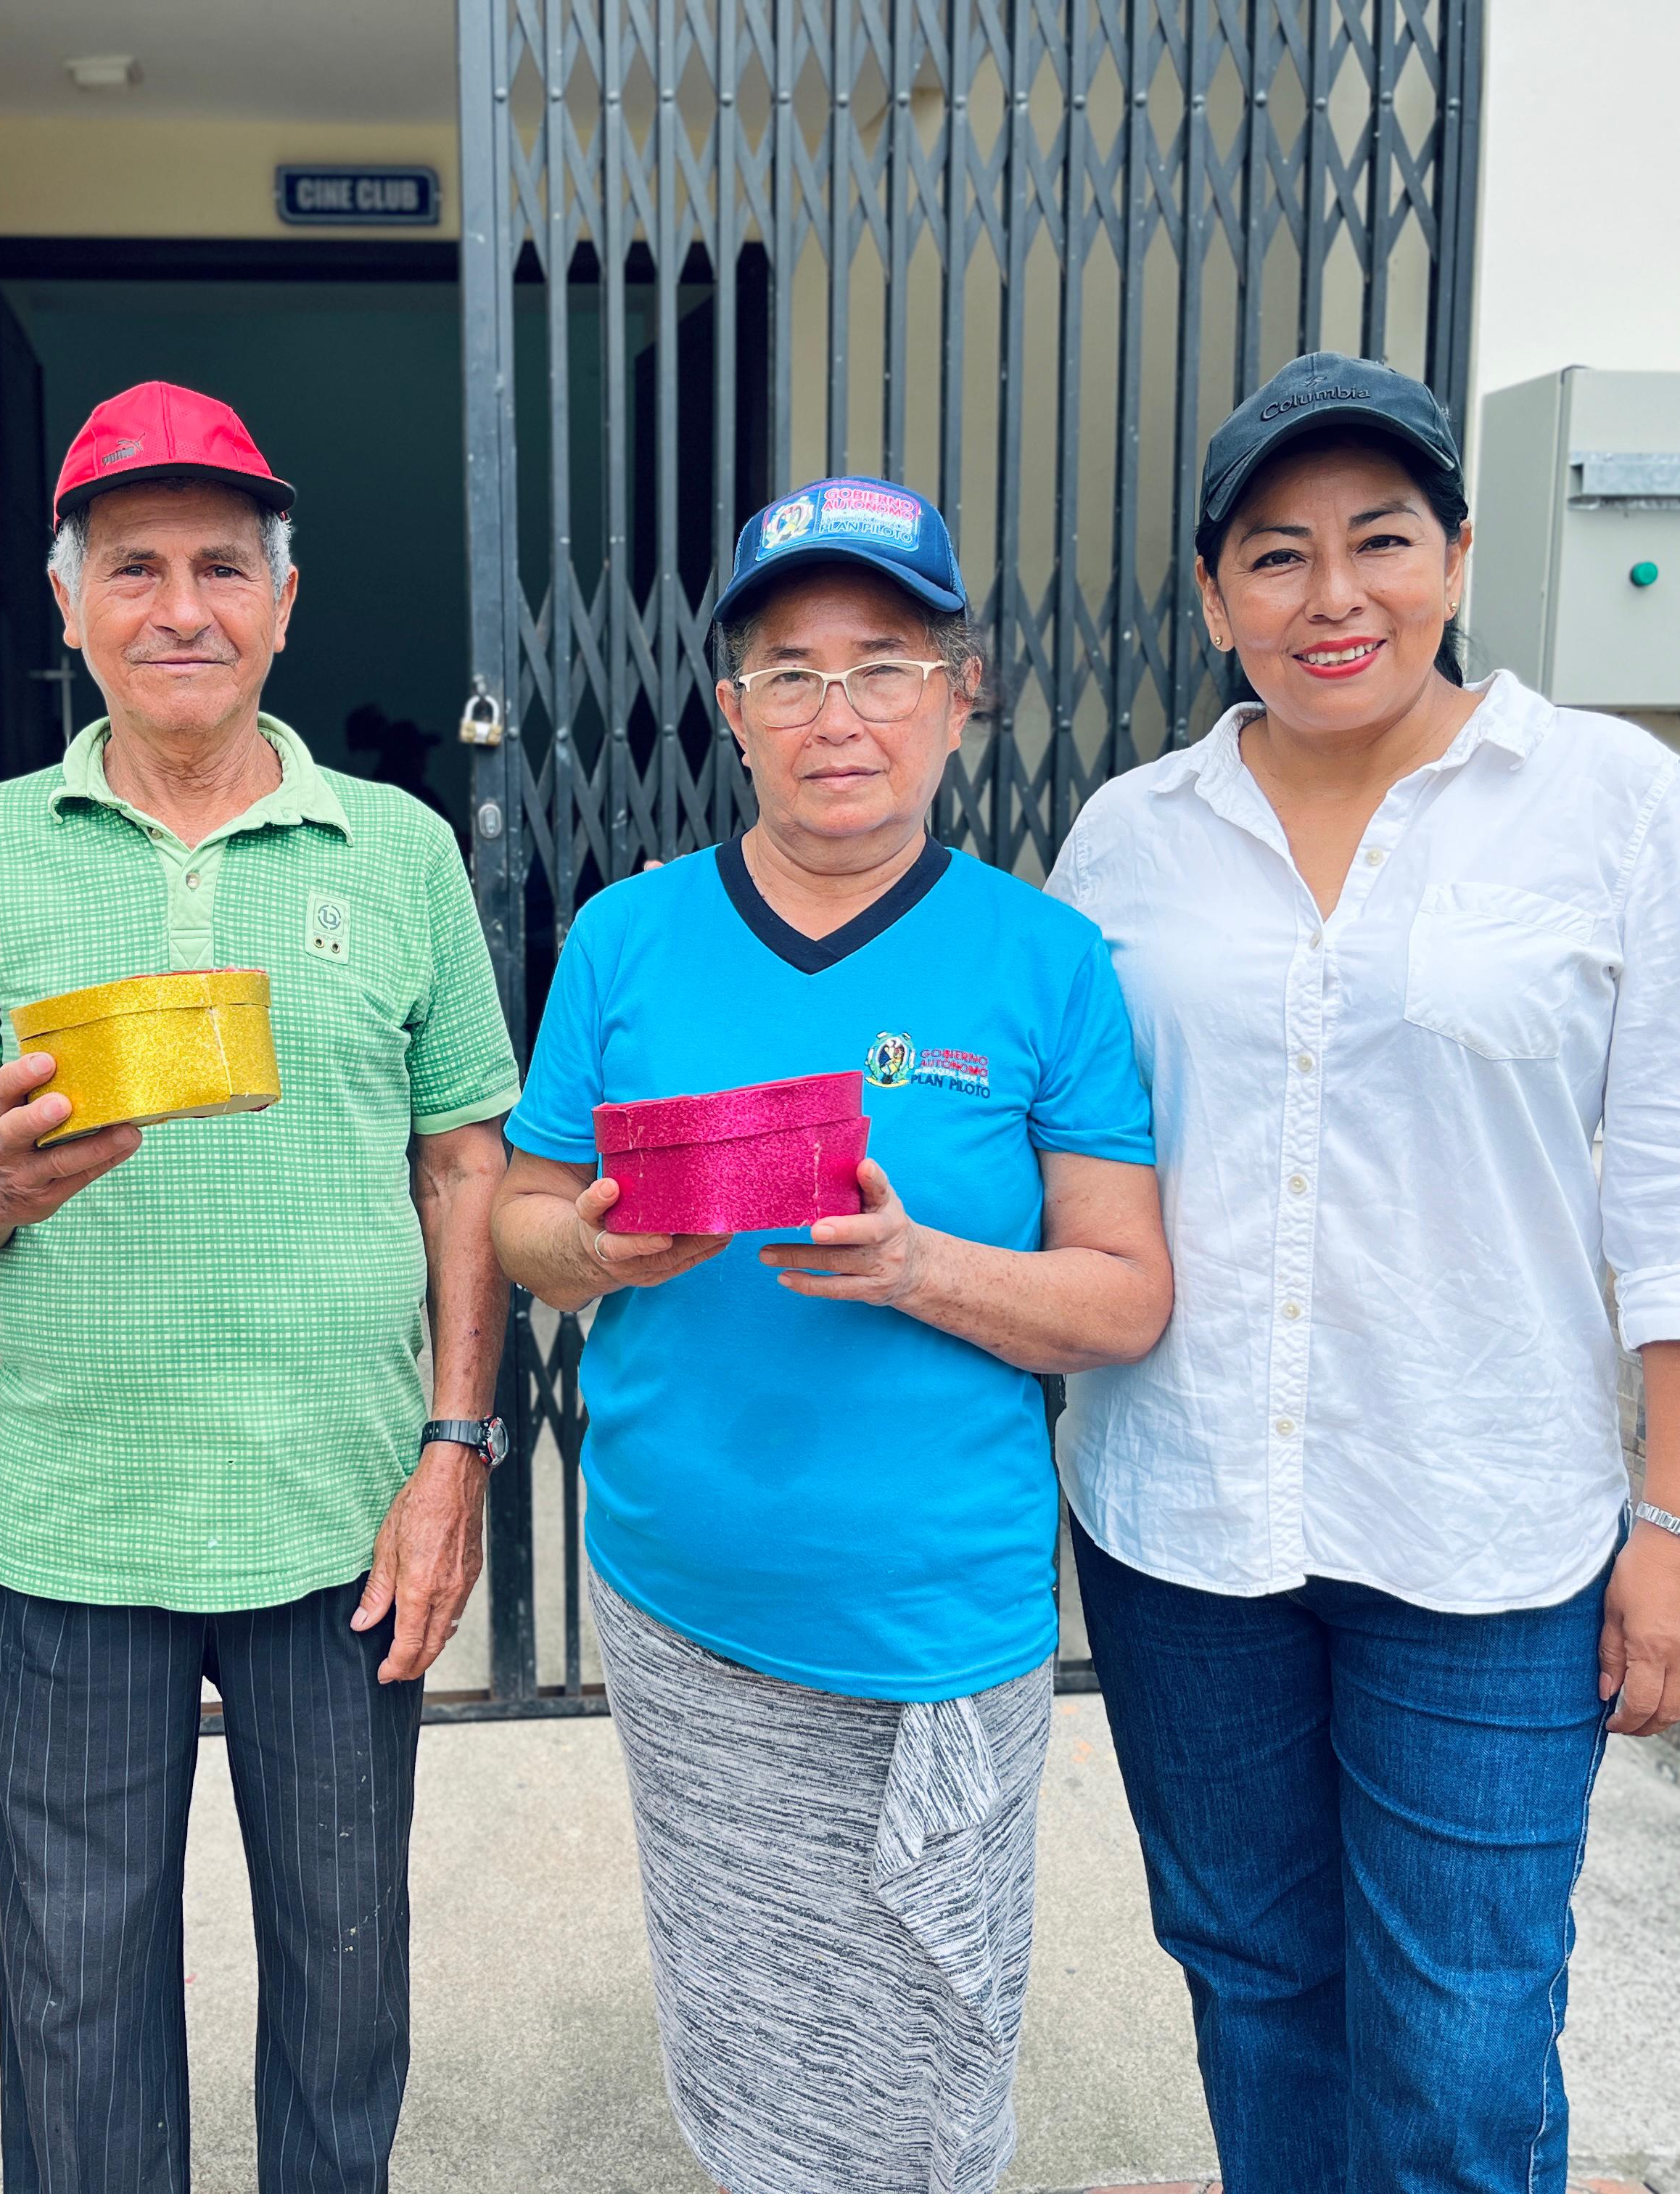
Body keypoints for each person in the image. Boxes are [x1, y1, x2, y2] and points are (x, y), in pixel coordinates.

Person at [1047, 351, 1680, 2190]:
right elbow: (1047, 1139)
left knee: (1463, 2038)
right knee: (1254, 1982)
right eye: (1275, 555)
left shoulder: (1610, 803)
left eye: (1380, 540)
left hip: (1487, 1535)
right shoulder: (1129, 837)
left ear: (1456, 556)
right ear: (1213, 596)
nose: (1333, 596)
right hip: (1186, 1522)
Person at [491, 477, 1172, 2194]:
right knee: (748, 2031)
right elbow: (517, 1219)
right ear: (731, 710)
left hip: (933, 1618)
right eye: (789, 672)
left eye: (884, 665)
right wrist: (593, 1246)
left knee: (931, 2039)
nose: (837, 713)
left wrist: (926, 1268)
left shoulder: (1043, 960)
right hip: (685, 1600)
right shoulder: (626, 938)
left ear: (960, 692)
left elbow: (1124, 1297)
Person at [0, 381, 523, 2194]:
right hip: (81, 1514)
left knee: (345, 1977)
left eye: (224, 567)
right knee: (75, 1996)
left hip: (343, 1514)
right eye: (136, 567)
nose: (183, 608)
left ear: (285, 601)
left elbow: (464, 1163)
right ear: (68, 602)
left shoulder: (396, 849)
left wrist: (454, 1452)